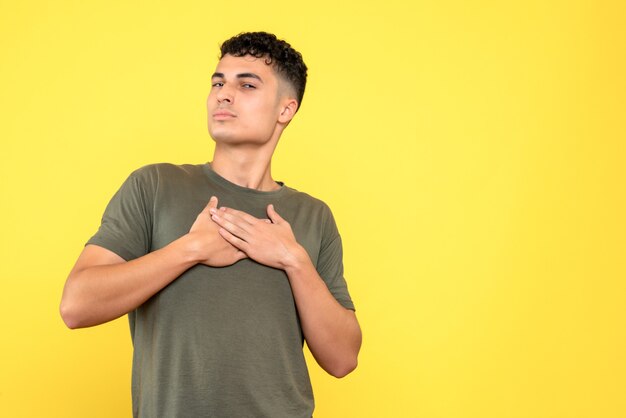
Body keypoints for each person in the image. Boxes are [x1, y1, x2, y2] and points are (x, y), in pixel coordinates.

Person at [60, 31, 361, 418]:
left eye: (246, 84)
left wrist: (293, 259)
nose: (223, 94)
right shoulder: (155, 186)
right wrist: (191, 249)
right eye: (218, 82)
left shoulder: (312, 216)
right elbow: (76, 306)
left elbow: (343, 359)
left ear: (285, 110)